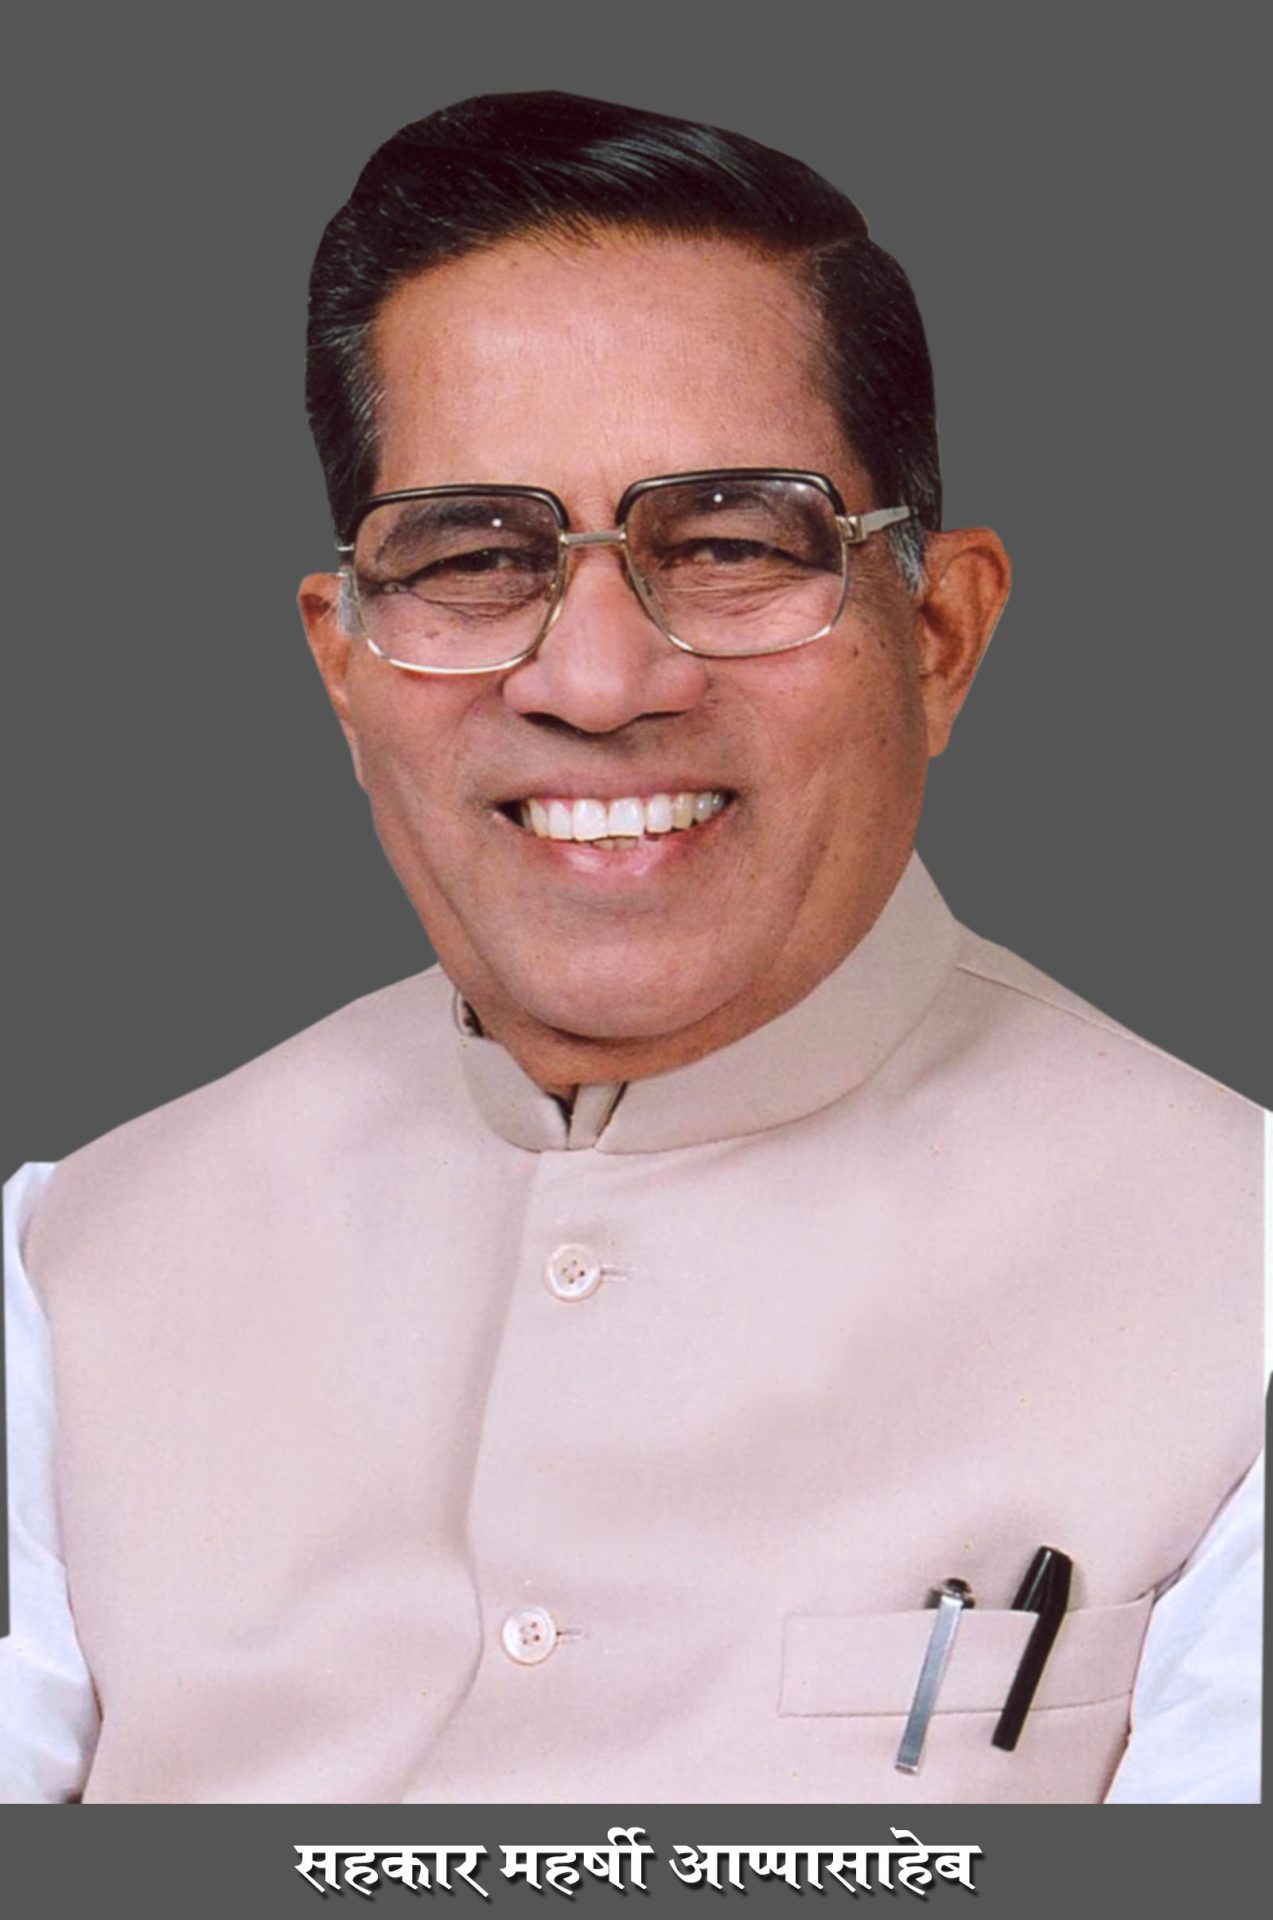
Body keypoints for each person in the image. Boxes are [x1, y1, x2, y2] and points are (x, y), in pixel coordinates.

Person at [1, 91, 1262, 1806]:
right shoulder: (61, 1273)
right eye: (473, 557)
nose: (595, 683)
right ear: (345, 665)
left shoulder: (1243, 1290)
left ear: (938, 633)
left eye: (730, 544)